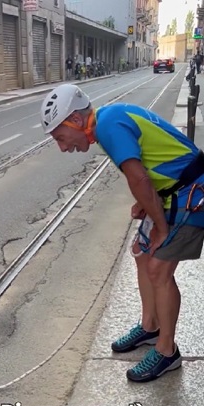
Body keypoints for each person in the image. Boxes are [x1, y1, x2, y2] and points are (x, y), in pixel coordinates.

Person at [40, 84, 204, 383]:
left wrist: (161, 227)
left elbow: (138, 177)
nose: (63, 147)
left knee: (158, 268)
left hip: (193, 192)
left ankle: (167, 352)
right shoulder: (107, 121)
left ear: (76, 120)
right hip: (174, 191)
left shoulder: (108, 125)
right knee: (142, 253)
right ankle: (150, 326)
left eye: (61, 138)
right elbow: (149, 168)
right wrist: (145, 205)